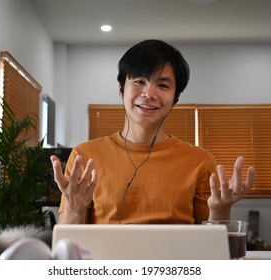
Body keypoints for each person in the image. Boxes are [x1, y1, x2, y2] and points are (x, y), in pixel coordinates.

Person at [50, 39, 255, 224]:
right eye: (139, 81)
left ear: (176, 97)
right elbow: (67, 250)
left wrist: (220, 210)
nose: (149, 94)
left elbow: (211, 251)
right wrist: (75, 208)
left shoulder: (200, 161)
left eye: (163, 85)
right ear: (121, 88)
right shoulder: (85, 157)